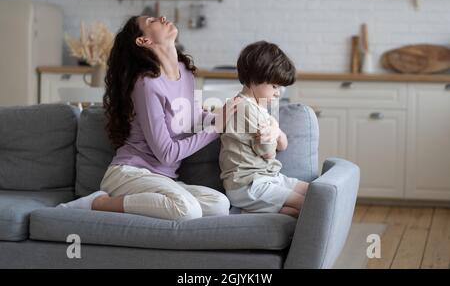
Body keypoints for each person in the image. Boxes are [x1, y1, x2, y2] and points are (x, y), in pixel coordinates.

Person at [58, 15, 241, 221]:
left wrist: (227, 116)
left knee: (219, 204)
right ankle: (97, 203)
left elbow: (194, 117)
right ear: (143, 40)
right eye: (151, 20)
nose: (162, 17)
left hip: (164, 180)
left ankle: (165, 201)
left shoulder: (186, 73)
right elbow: (167, 154)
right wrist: (216, 128)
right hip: (131, 174)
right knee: (187, 210)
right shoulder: (147, 84)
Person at [219, 41, 309, 218]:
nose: (278, 93)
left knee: (317, 192)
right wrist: (274, 135)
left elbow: (282, 144)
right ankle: (249, 208)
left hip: (268, 177)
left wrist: (275, 131)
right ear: (254, 79)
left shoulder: (259, 108)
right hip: (248, 184)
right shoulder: (244, 108)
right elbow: (268, 153)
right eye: (274, 86)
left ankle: (255, 210)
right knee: (311, 204)